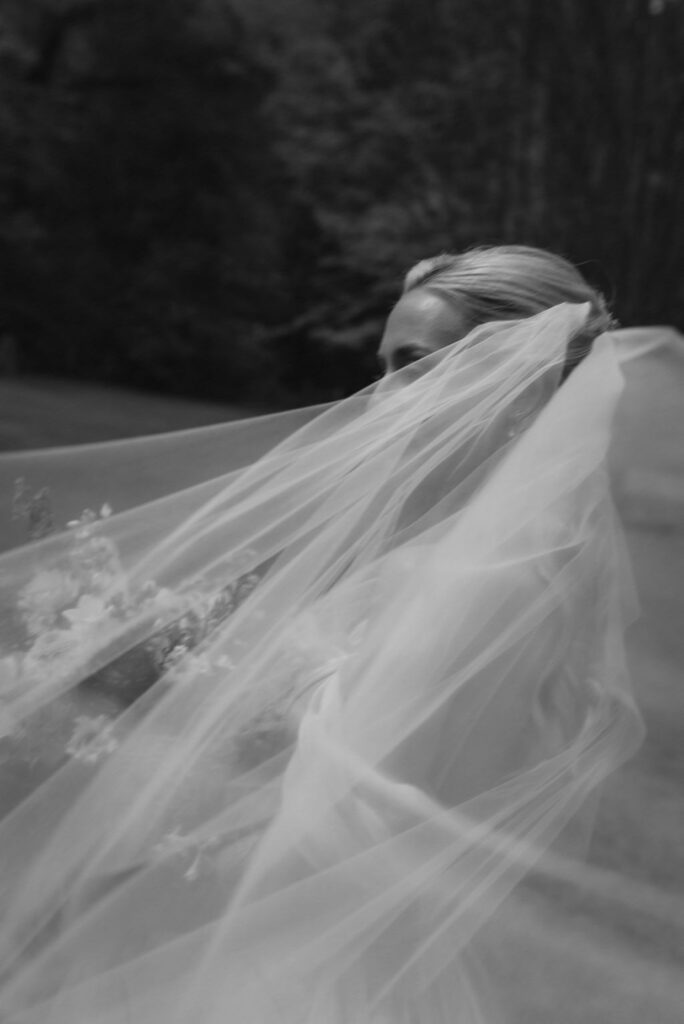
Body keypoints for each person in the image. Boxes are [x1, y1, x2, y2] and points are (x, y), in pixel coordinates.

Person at [0, 246, 681, 1023]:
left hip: (305, 974)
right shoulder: (468, 554)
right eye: (384, 366)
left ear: (520, 383)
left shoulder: (486, 582)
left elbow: (343, 833)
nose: (382, 396)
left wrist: (150, 841)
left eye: (413, 365)